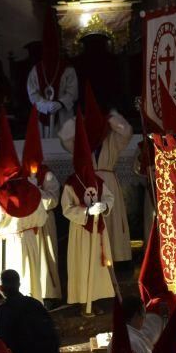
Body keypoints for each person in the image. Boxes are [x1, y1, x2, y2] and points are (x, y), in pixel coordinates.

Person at [58, 84, 133, 263]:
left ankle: (116, 257)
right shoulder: (80, 141)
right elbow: (64, 136)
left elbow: (126, 131)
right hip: (87, 182)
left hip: (107, 181)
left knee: (111, 219)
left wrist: (108, 118)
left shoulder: (112, 138)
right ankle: (93, 257)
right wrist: (81, 120)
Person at [0, 109, 48, 301]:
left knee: (14, 282)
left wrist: (8, 224)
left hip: (9, 243)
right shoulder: (33, 191)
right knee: (32, 278)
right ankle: (35, 305)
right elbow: (42, 218)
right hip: (30, 240)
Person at [62, 110, 115, 314]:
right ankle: (84, 301)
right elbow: (67, 208)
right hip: (81, 232)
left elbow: (109, 197)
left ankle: (96, 298)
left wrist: (104, 206)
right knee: (83, 264)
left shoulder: (98, 182)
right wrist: (86, 212)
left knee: (97, 266)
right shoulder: (70, 184)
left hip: (98, 231)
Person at [21, 106, 62, 302]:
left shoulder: (48, 175)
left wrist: (35, 191)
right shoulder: (18, 178)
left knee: (47, 259)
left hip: (45, 223)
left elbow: (52, 201)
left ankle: (50, 295)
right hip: (27, 226)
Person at [0, 269, 59, 353]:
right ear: (19, 284)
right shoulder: (34, 304)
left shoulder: (3, 311)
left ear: (0, 288)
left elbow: (2, 343)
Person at [27, 8, 78, 137]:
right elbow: (32, 93)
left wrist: (60, 103)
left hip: (63, 116)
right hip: (43, 115)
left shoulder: (68, 69)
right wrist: (45, 105)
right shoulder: (36, 70)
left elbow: (72, 92)